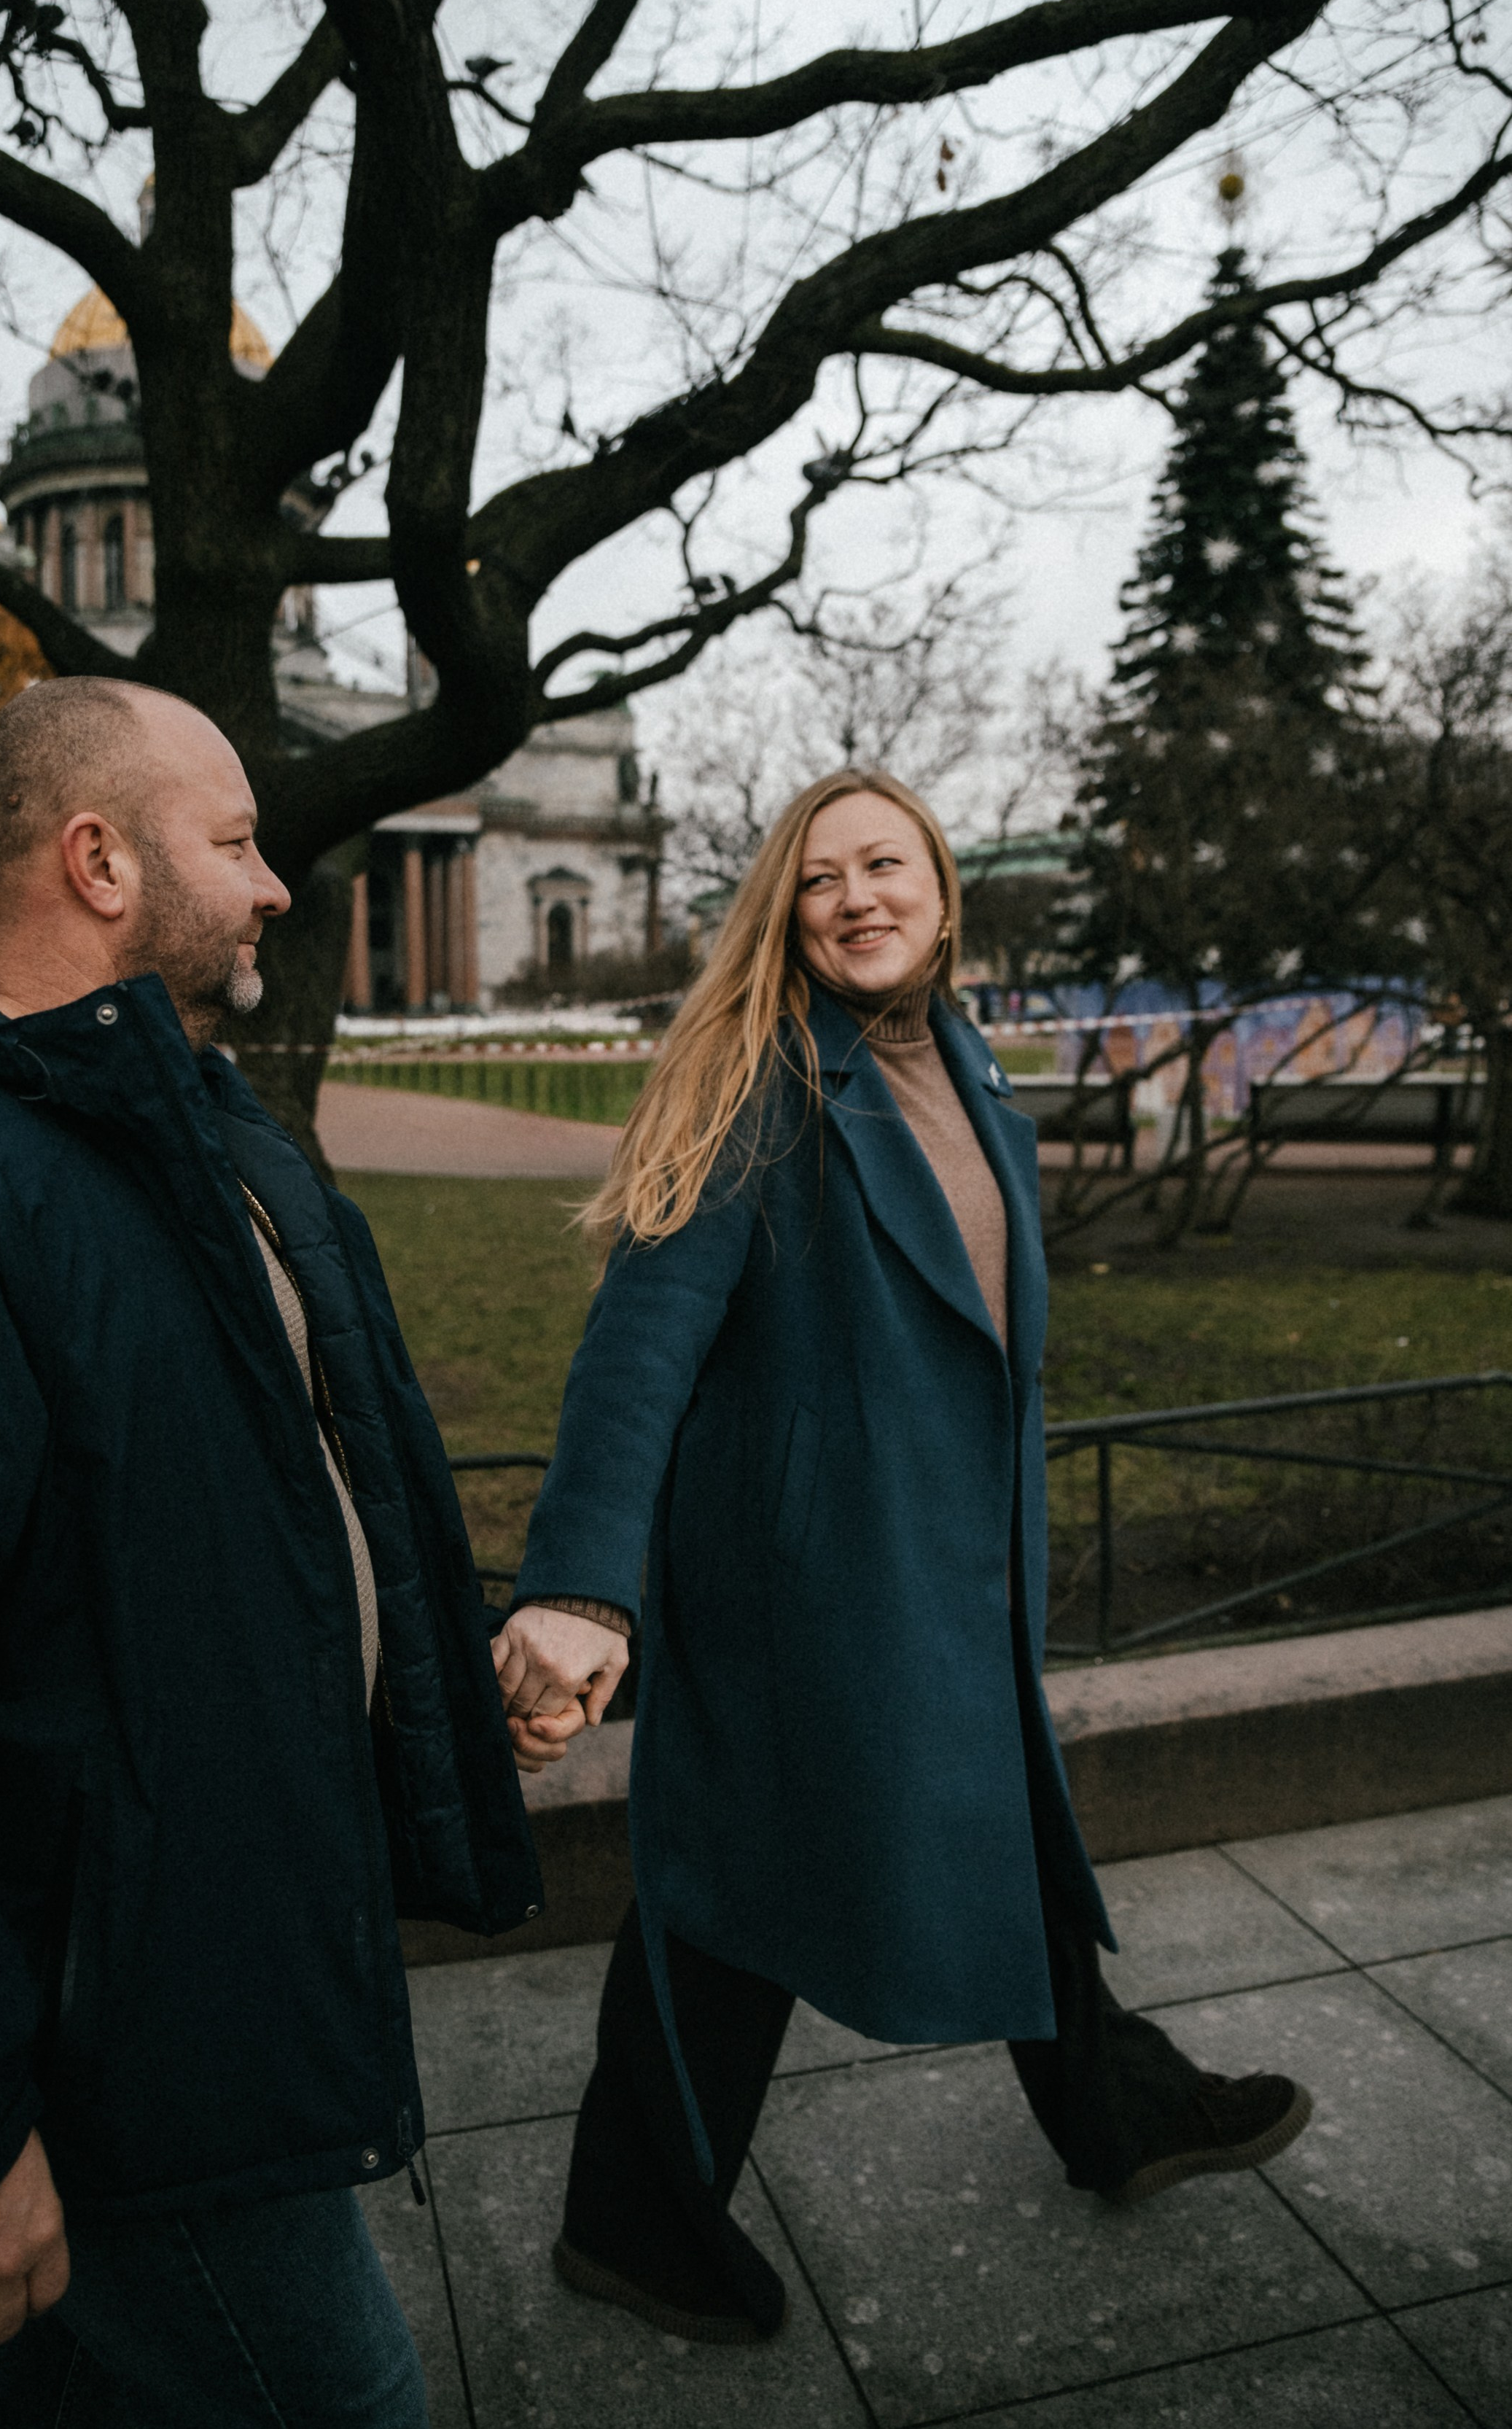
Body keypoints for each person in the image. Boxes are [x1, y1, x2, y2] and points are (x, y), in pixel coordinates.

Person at [490, 768, 1312, 2345]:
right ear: (783, 915)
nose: (857, 898)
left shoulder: (964, 1061)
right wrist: (583, 1587)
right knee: (729, 1897)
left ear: (941, 891)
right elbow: (635, 1351)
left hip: (952, 1569)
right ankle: (632, 2224)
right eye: (820, 879)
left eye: (886, 866)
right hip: (810, 1589)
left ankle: (1119, 2110)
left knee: (999, 1823)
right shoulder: (756, 1080)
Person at [0, 677, 545, 2427]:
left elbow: (299, 1476)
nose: (280, 883)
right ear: (101, 862)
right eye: (236, 842)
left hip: (209, 1939)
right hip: (121, 2021)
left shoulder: (187, 1114)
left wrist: (443, 1670)